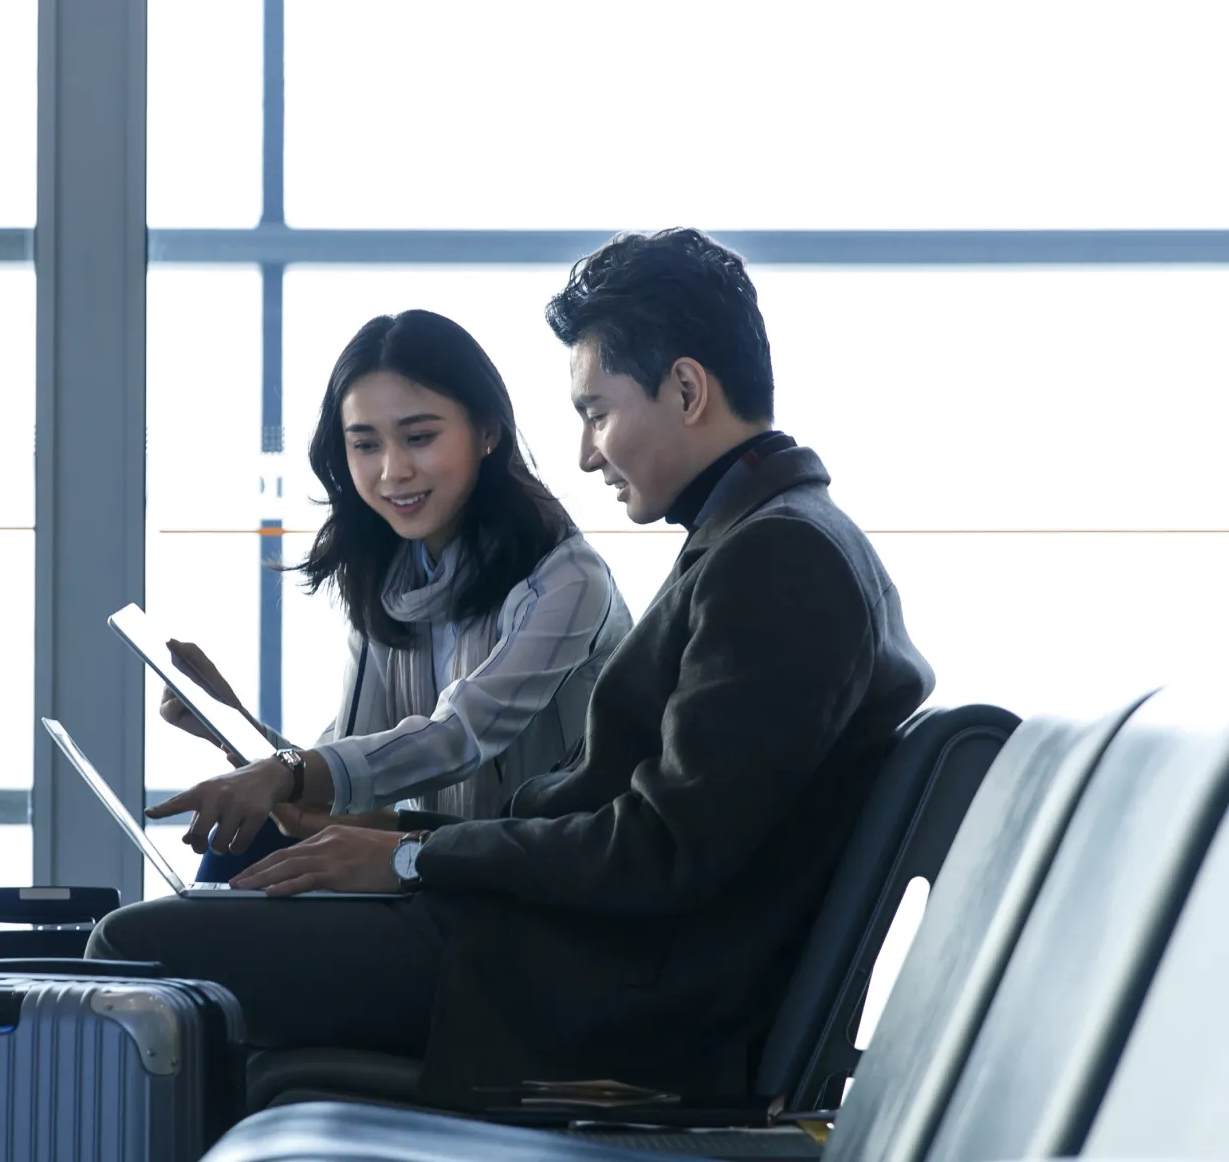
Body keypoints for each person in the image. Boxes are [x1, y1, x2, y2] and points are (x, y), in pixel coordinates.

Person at [89, 229, 935, 1106]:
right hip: (566, 945)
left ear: (685, 389)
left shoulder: (776, 562)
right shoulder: (765, 540)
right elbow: (645, 828)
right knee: (232, 911)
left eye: (597, 411)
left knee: (136, 954)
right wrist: (399, 842)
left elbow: (659, 849)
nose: (586, 452)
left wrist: (415, 862)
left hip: (586, 983)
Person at [157, 308, 632, 882]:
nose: (393, 471)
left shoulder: (567, 580)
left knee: (175, 922)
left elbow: (456, 737)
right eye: (365, 445)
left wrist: (283, 771)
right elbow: (355, 780)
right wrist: (236, 729)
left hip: (527, 884)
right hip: (422, 864)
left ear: (487, 431)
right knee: (231, 861)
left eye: (420, 437)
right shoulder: (389, 575)